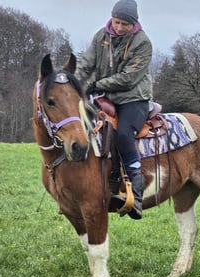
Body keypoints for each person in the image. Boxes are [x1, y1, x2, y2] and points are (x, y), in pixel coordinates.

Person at [75, 0, 152, 219]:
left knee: (125, 135)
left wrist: (98, 85)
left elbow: (129, 78)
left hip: (133, 98)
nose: (119, 28)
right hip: (104, 96)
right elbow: (86, 64)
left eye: (124, 25)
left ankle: (136, 191)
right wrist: (74, 83)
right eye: (117, 22)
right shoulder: (101, 36)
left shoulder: (143, 42)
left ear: (133, 24)